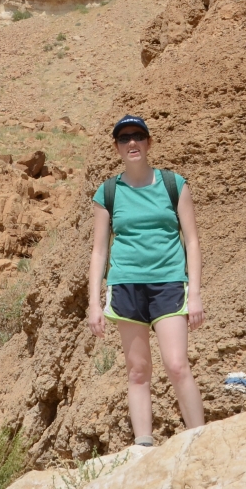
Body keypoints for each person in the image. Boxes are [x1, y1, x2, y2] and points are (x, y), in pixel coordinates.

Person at [87, 115, 205, 445]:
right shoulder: (108, 192)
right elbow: (99, 251)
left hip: (169, 283)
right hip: (126, 285)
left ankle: (200, 441)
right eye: (124, 138)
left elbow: (192, 241)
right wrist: (94, 303)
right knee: (138, 371)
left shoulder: (173, 184)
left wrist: (195, 293)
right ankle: (143, 446)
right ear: (117, 147)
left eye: (138, 136)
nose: (132, 143)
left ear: (149, 142)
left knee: (177, 365)